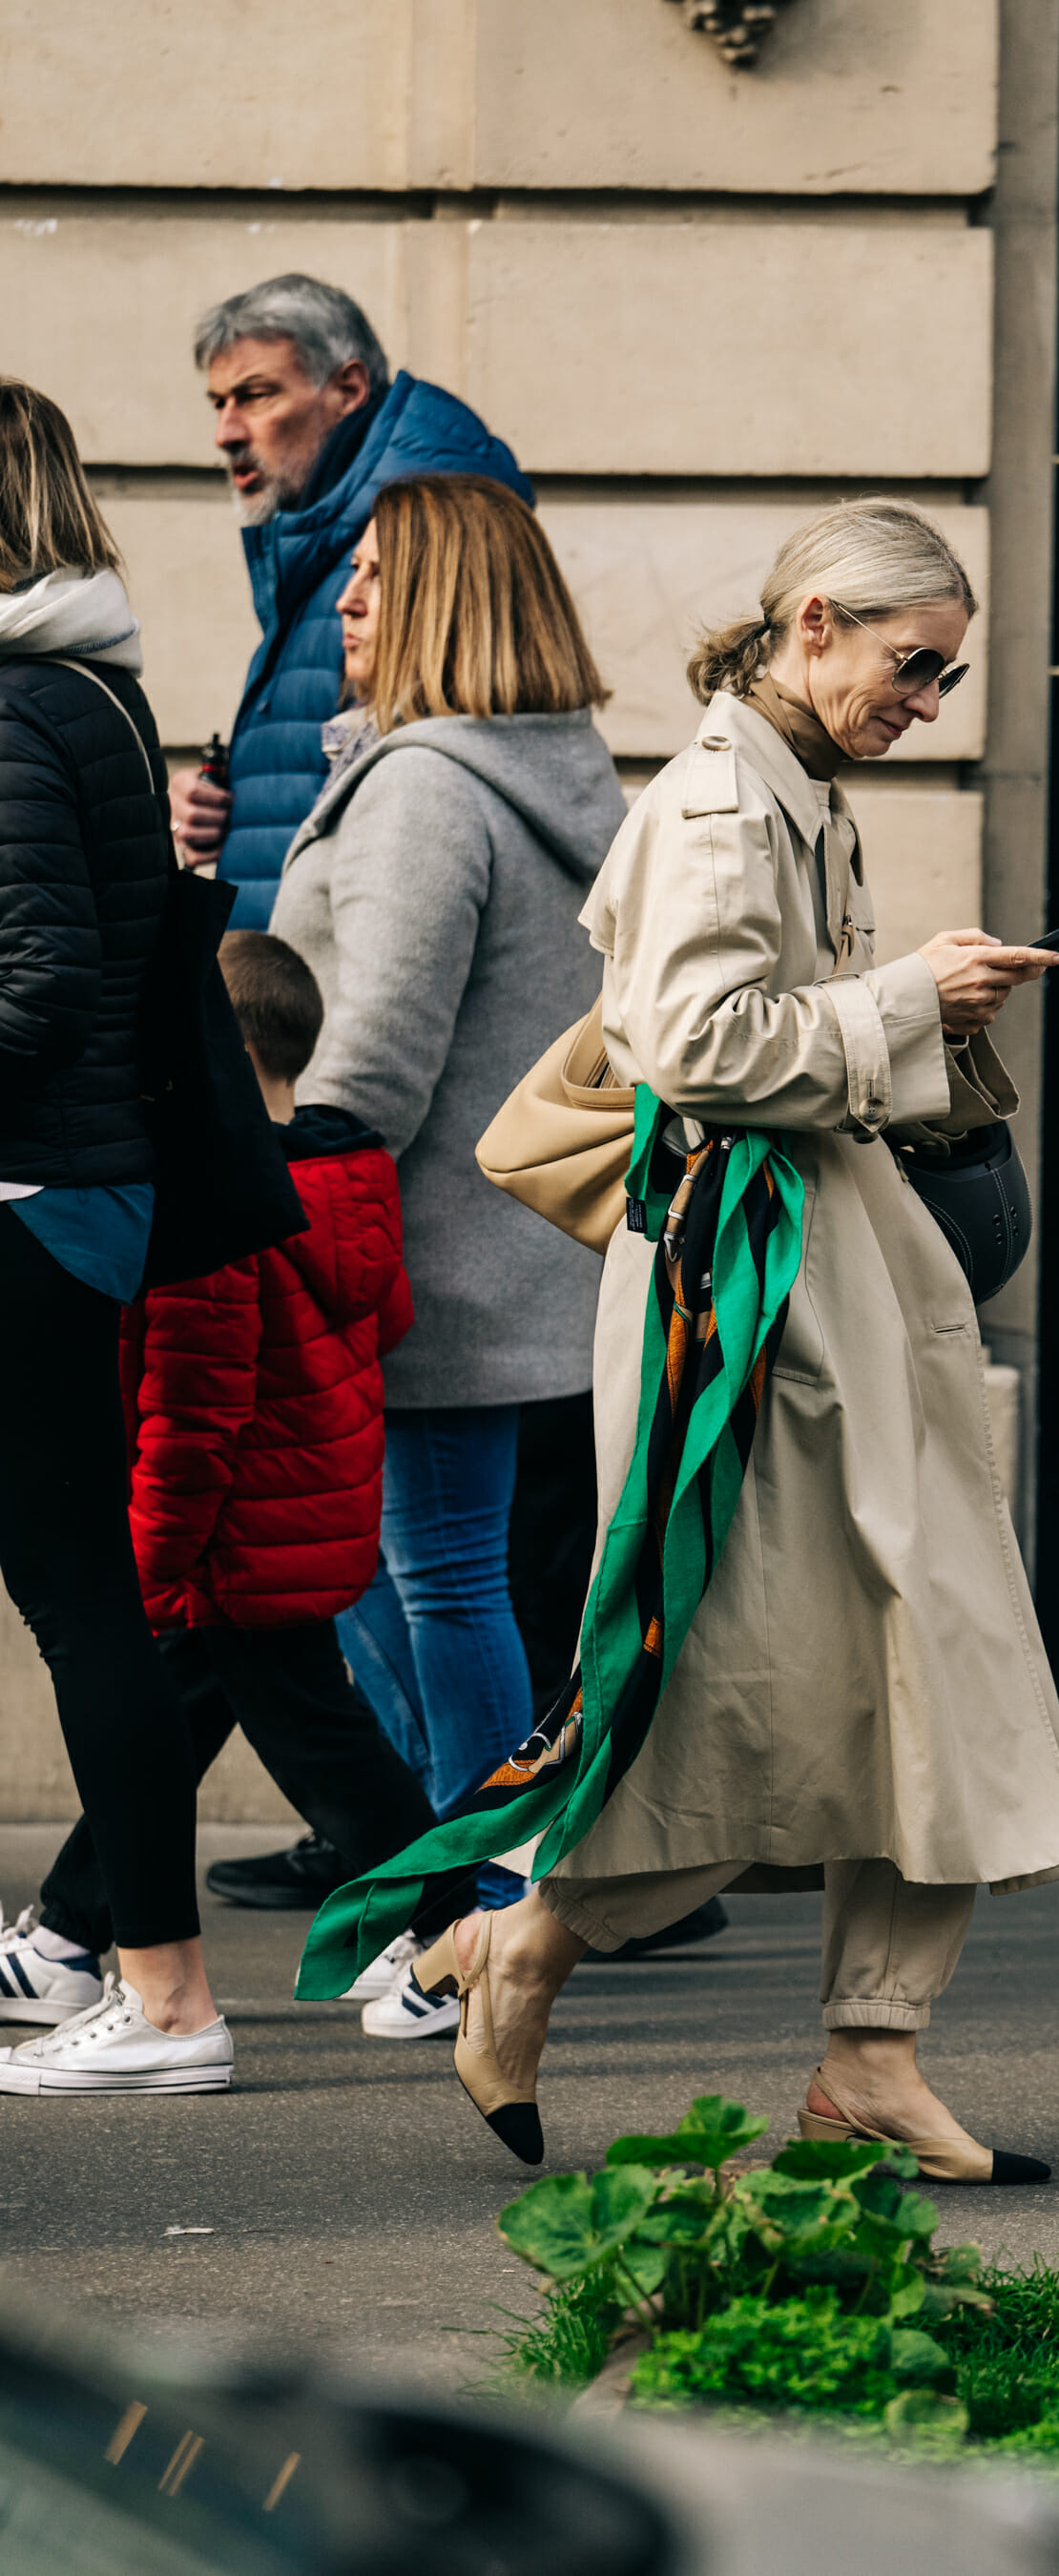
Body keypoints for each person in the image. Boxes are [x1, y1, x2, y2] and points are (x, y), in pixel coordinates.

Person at [327, 496, 1059, 2179]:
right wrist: (915, 1002)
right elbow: (696, 1046)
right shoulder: (724, 801)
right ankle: (530, 1945)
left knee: (904, 1674)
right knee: (748, 1683)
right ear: (811, 622)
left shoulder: (786, 786)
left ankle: (858, 2051)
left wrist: (925, 1019)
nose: (927, 703)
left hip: (815, 1291)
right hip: (751, 1309)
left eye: (946, 678)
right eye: (914, 666)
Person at [270, 471, 630, 2003]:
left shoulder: (428, 785)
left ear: (434, 600)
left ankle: (480, 1921)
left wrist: (278, 1179)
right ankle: (480, 1888)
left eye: (366, 578)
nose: (341, 602)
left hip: (417, 1258)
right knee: (413, 1571)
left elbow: (378, 1054)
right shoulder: (556, 774)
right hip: (523, 1252)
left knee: (428, 1576)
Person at [0, 932, 477, 2036]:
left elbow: (192, 1417)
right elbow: (383, 1320)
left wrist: (149, 1562)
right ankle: (73, 1931)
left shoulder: (212, 1210)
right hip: (307, 1505)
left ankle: (461, 1934)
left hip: (230, 1528)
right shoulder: (345, 1170)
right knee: (184, 1705)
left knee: (322, 1740)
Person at [0, 380, 227, 2095]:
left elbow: (42, 981)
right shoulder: (92, 691)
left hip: (27, 1199)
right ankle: (145, 1986)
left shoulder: (18, 709)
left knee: (86, 1601)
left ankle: (160, 2003)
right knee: (88, 1593)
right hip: (72, 1193)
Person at [168, 275, 530, 927]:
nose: (225, 431)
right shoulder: (319, 539)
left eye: (255, 396)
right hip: (280, 987)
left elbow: (436, 803)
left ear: (348, 389)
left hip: (326, 996)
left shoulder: (420, 544)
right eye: (219, 402)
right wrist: (229, 804)